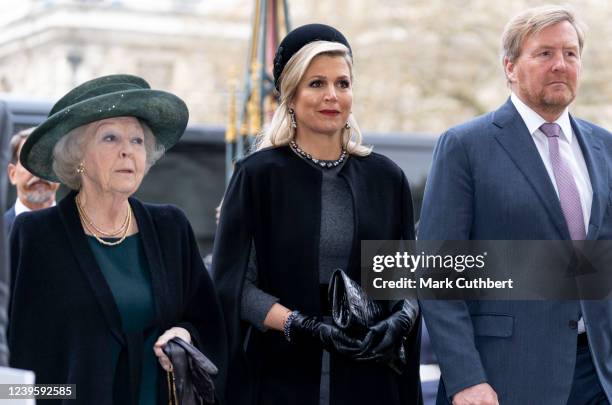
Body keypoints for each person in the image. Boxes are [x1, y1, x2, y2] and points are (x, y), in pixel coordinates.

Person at [213, 24, 421, 405]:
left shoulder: (386, 177)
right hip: (281, 378)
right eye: (316, 84)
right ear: (290, 96)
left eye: (342, 84)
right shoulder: (258, 175)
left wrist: (402, 317)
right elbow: (234, 285)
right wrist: (302, 326)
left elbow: (402, 277)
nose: (332, 96)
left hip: (370, 377)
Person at [418, 6, 612, 405]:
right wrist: (466, 379)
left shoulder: (603, 146)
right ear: (509, 66)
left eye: (570, 53)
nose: (560, 65)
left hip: (597, 377)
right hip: (505, 376)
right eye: (544, 54)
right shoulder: (465, 146)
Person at [8, 74, 227, 405]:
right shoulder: (36, 235)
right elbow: (18, 361)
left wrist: (184, 334)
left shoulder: (171, 228)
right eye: (110, 138)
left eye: (137, 141)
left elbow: (209, 324)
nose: (128, 151)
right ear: (77, 155)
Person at [5, 127, 60, 233]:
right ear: (12, 174)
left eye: (47, 161)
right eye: (29, 161)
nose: (38, 171)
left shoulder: (82, 229)